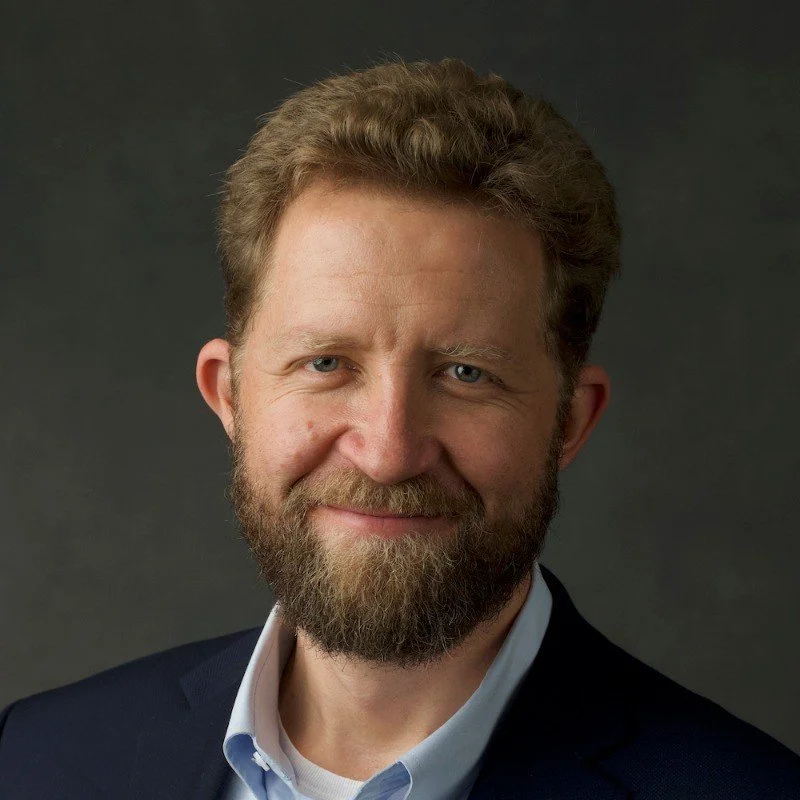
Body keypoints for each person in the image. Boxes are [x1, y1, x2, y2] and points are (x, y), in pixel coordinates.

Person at [0, 58, 798, 800]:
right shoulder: (37, 761)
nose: (387, 453)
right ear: (231, 395)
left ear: (569, 421)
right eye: (326, 364)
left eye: (466, 373)